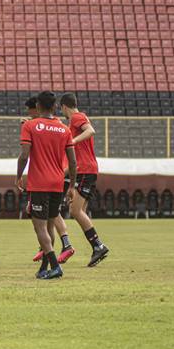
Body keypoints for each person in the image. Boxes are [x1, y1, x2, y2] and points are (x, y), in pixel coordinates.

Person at [17, 91, 77, 280]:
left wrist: (18, 176)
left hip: (39, 184)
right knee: (50, 226)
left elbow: (24, 155)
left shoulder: (30, 126)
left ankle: (55, 266)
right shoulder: (64, 129)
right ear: (54, 107)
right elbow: (73, 162)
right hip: (58, 184)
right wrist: (72, 186)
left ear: (39, 106)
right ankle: (44, 268)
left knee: (40, 228)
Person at [59, 93, 110, 267]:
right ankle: (96, 247)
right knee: (80, 212)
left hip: (85, 171)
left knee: (74, 211)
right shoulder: (75, 120)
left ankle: (98, 245)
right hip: (86, 170)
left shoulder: (76, 118)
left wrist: (72, 140)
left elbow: (90, 130)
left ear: (64, 107)